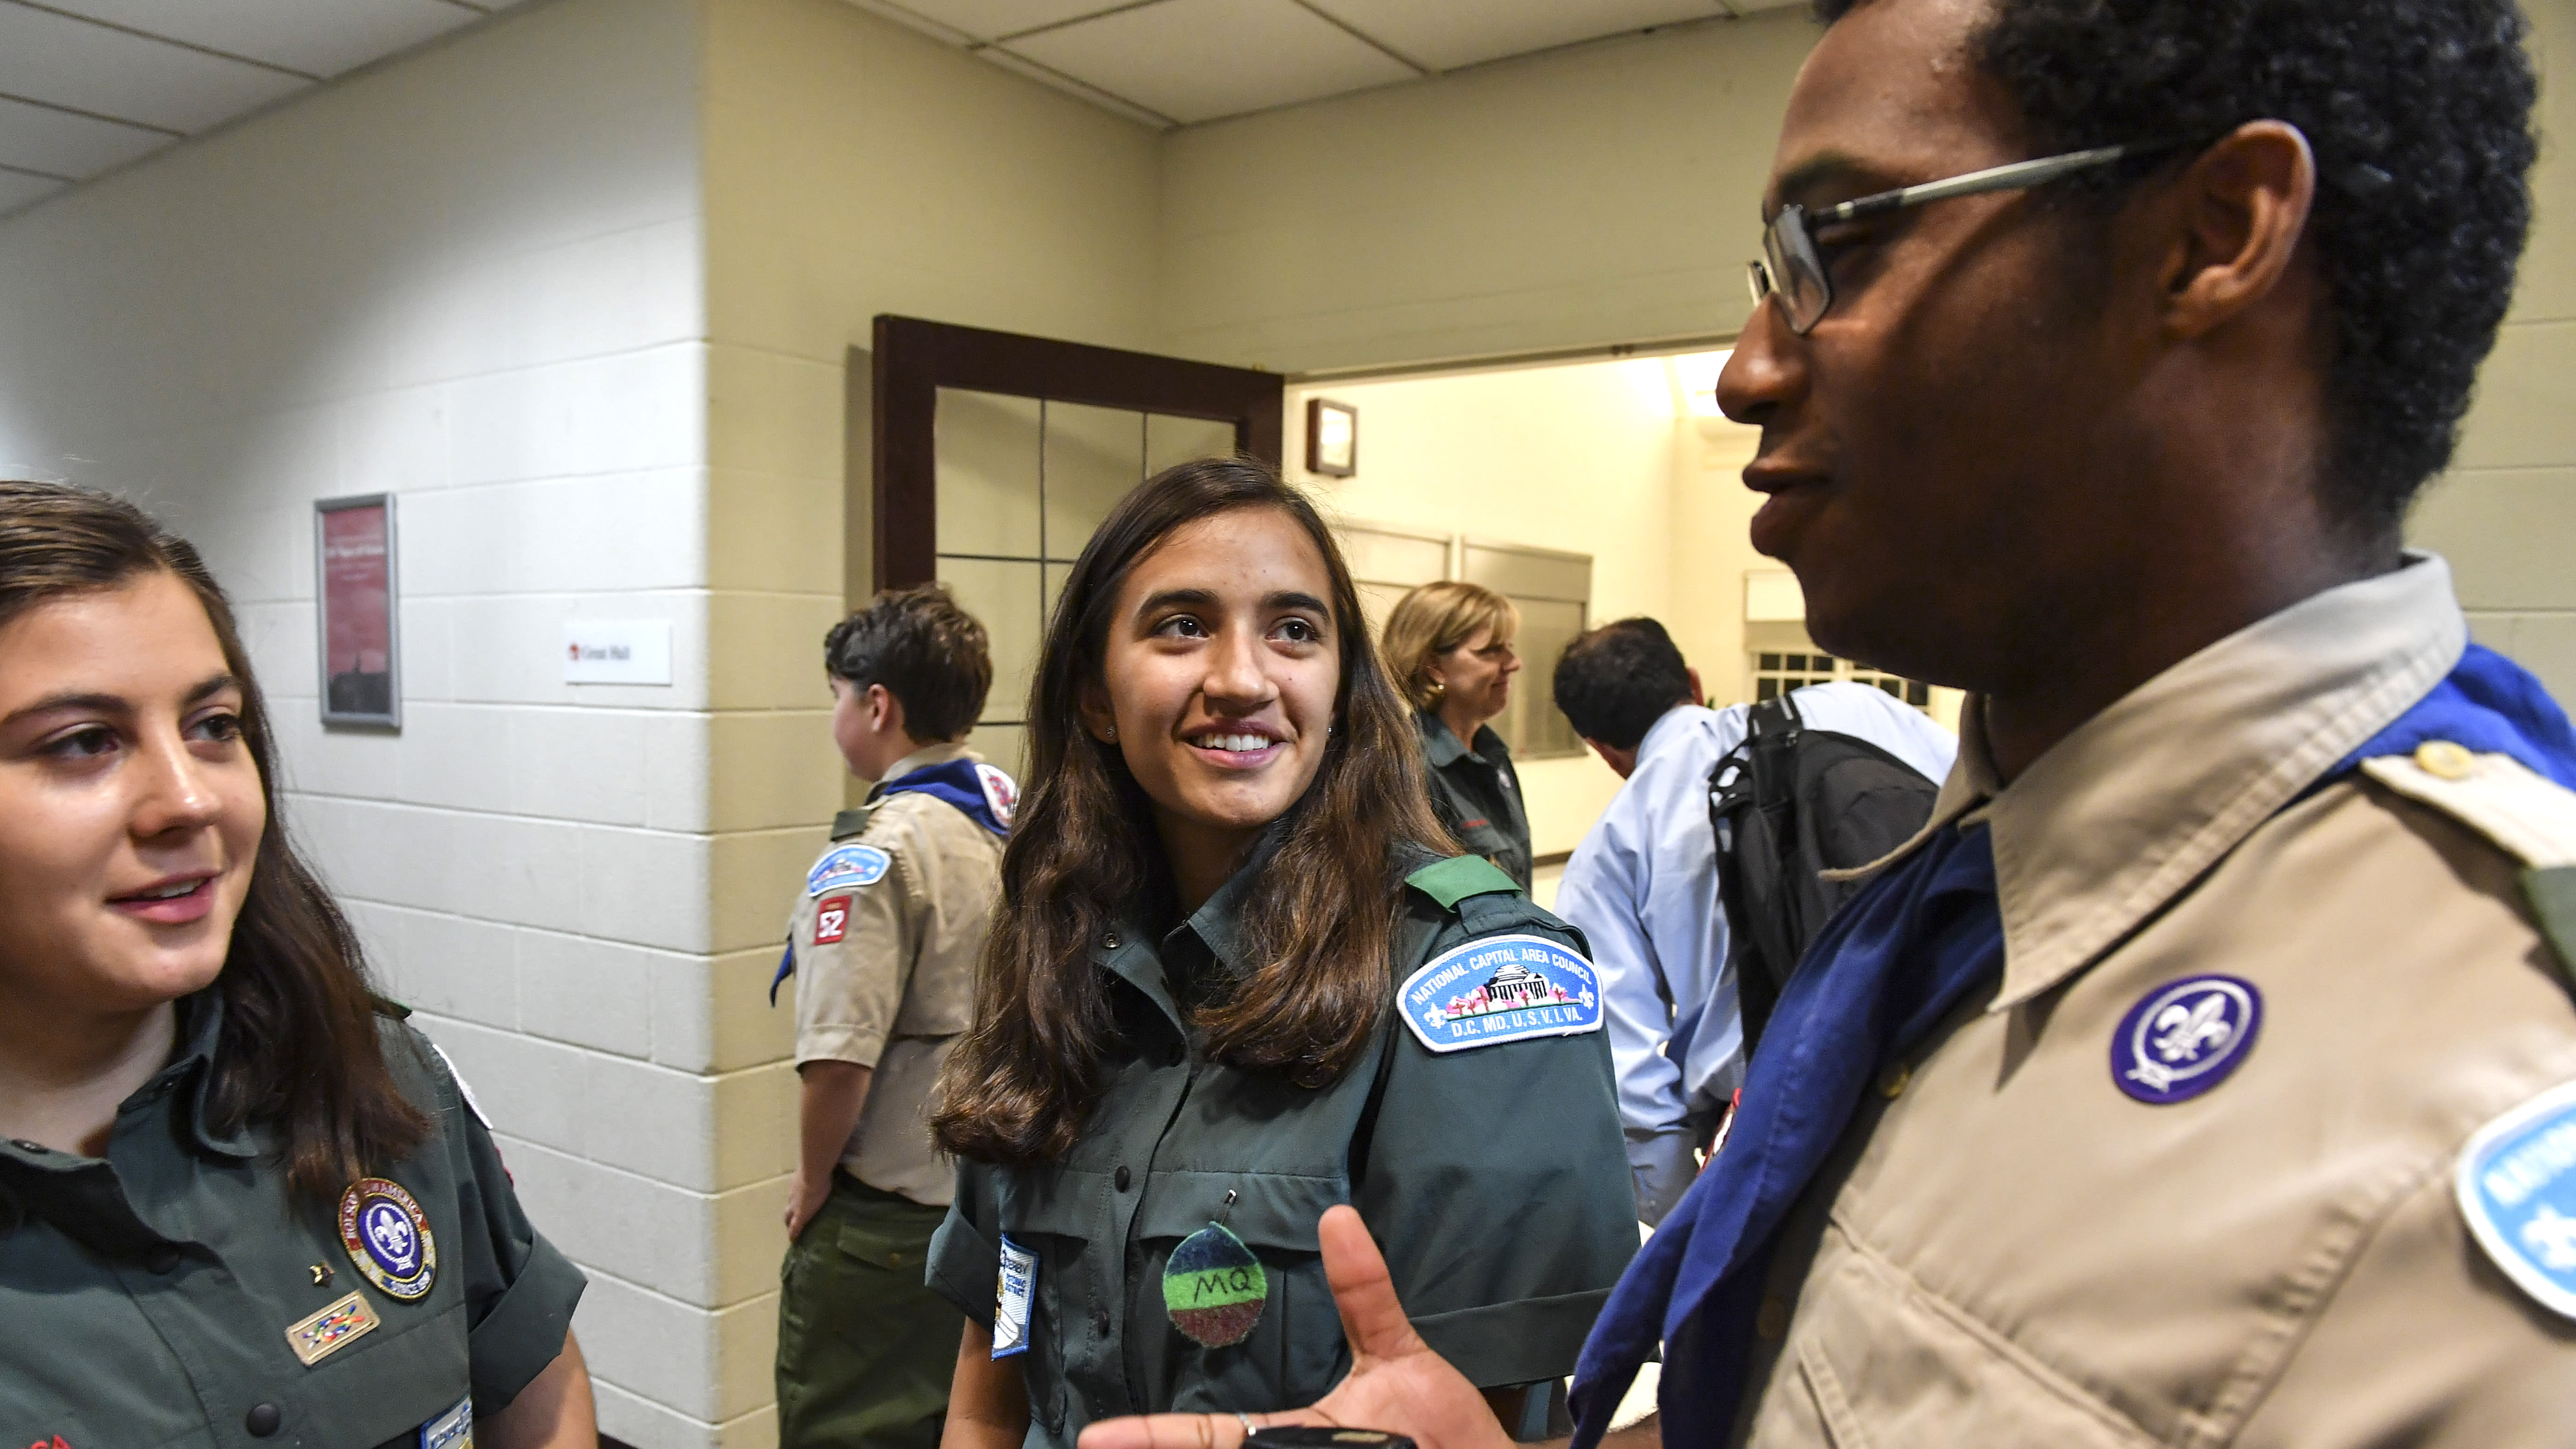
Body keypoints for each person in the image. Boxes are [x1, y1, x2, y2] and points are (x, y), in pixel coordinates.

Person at [1076, 1, 2576, 1446]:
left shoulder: (2484, 1063)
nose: (1744, 366)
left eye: (1835, 246)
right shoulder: (1974, 911)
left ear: (2210, 237)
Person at [923, 458, 1637, 1449]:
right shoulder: (1057, 953)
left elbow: (1508, 1421)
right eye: (1180, 625)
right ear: (1093, 693)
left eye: (1294, 631)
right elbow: (992, 1366)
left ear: (1342, 687)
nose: (1242, 679)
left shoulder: (1466, 982)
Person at [0, 480, 593, 1448]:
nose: (189, 800)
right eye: (82, 744)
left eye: (213, 726)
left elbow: (531, 1378)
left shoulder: (372, 1078)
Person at [1548, 618, 1953, 1224]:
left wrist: (1689, 1214)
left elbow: (1624, 1069)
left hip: (1779, 1137)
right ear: (1692, 680)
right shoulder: (1864, 709)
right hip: (1956, 1065)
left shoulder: (1611, 847)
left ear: (1601, 749)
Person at [773, 584, 1015, 1449]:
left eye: (838, 695)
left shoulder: (875, 853)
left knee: (853, 1426)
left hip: (892, 1222)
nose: (836, 714)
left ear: (877, 704)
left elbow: (840, 1061)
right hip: (1001, 1199)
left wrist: (812, 1182)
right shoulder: (1013, 824)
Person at [1383, 582, 1534, 890]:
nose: (1514, 663)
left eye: (1509, 647)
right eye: (1491, 651)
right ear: (1435, 667)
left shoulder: (1493, 756)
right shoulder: (1411, 768)